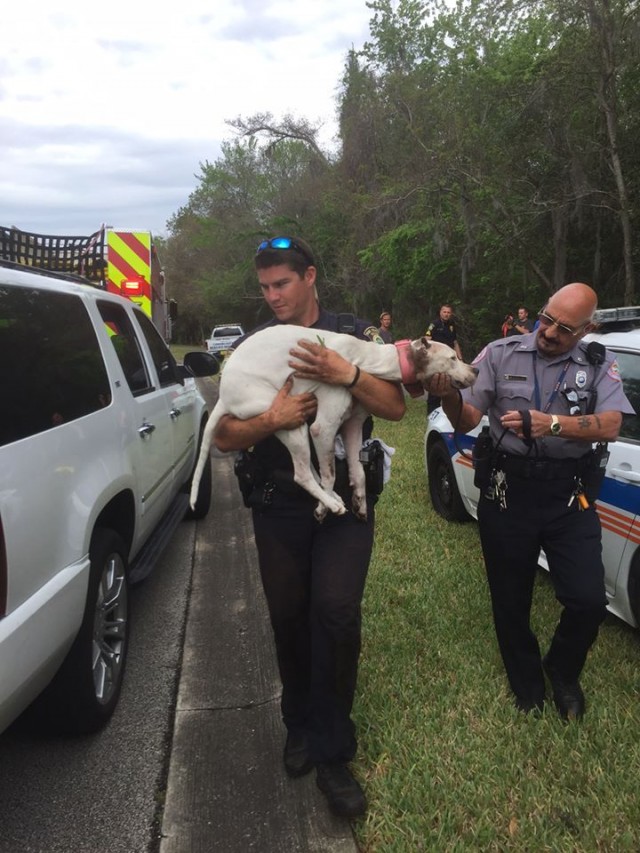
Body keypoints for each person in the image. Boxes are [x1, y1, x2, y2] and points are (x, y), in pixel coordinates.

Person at [213, 236, 406, 816]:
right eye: (265, 287)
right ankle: (298, 723)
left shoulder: (354, 332)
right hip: (279, 498)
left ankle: (333, 749)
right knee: (289, 616)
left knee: (337, 612)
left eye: (283, 284)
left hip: (345, 498)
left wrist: (346, 372)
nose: (273, 296)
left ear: (311, 276)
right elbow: (222, 435)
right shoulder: (254, 348)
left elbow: (395, 405)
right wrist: (270, 419)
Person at [426, 283, 634, 720]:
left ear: (586, 329)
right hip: (508, 491)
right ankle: (526, 681)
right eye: (547, 319)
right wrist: (447, 394)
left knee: (588, 600)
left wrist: (552, 424)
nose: (550, 332)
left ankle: (562, 670)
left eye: (564, 328)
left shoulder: (598, 363)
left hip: (568, 496)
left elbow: (612, 424)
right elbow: (466, 417)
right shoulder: (500, 354)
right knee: (510, 598)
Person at [425, 303, 463, 413]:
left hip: (450, 360)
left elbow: (455, 342)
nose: (446, 314)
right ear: (440, 312)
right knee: (436, 386)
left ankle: (450, 412)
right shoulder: (434, 324)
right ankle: (432, 412)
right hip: (437, 361)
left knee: (451, 385)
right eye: (444, 312)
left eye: (448, 312)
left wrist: (460, 358)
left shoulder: (452, 325)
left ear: (451, 314)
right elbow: (427, 340)